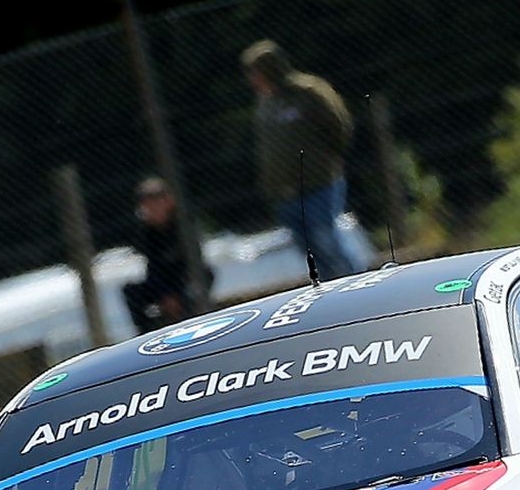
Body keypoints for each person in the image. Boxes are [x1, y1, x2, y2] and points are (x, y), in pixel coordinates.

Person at [240, 40, 361, 278]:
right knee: (310, 252)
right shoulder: (265, 102)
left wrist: (325, 160)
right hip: (284, 194)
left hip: (318, 184)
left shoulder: (308, 92)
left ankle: (355, 286)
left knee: (327, 241)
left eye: (254, 72)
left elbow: (339, 126)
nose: (251, 79)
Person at [121, 176, 213, 333]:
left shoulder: (183, 226)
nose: (151, 209)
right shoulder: (147, 232)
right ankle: (146, 332)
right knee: (131, 290)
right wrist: (165, 294)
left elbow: (192, 261)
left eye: (155, 203)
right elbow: (153, 267)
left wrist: (175, 293)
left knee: (203, 279)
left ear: (168, 202)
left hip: (186, 280)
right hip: (162, 283)